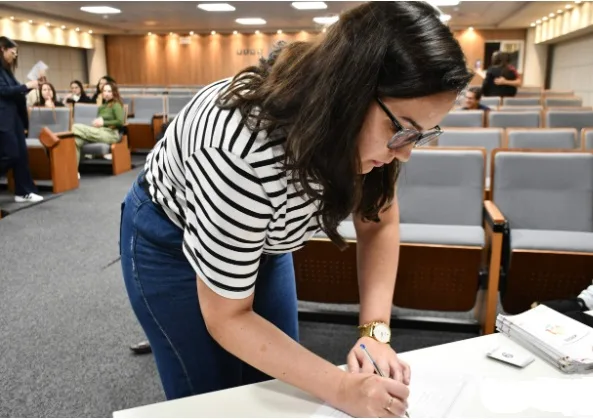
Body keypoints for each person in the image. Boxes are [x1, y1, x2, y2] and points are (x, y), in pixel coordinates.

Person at [119, 2, 472, 417]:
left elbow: (378, 221)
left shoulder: (365, 131)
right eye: (401, 130)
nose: (407, 154)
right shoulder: (240, 149)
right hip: (171, 245)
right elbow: (227, 316)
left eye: (422, 134)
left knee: (278, 387)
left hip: (262, 238)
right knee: (211, 398)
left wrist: (374, 332)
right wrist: (342, 387)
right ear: (350, 90)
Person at [0, 36, 44, 203]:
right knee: (10, 154)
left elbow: (15, 90)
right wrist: (27, 86)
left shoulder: (6, 71)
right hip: (3, 119)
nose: (14, 55)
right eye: (12, 52)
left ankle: (24, 191)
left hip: (15, 117)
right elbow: (3, 91)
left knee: (21, 156)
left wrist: (29, 86)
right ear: (2, 49)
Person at [72, 82, 124, 165]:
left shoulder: (116, 105)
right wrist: (96, 123)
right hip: (100, 132)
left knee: (75, 127)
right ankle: (73, 172)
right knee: (76, 140)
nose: (106, 93)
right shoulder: (102, 107)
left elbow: (120, 122)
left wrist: (103, 123)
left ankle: (55, 139)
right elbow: (99, 122)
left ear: (114, 93)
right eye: (104, 91)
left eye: (109, 91)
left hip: (110, 134)